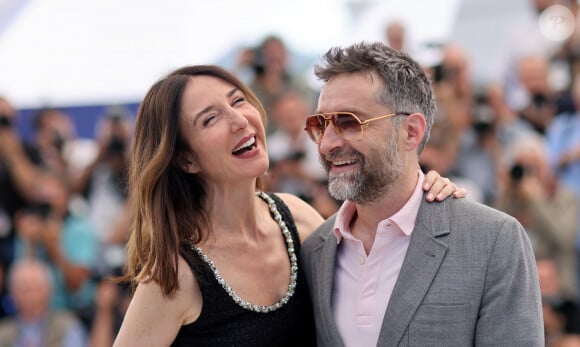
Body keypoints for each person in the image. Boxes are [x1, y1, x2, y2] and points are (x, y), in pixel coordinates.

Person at [112, 65, 463, 346]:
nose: (239, 120)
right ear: (186, 159)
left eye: (237, 101)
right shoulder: (172, 275)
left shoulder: (297, 217)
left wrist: (421, 193)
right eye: (210, 119)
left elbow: (376, 252)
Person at [301, 42, 544, 346]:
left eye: (349, 122)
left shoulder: (493, 240)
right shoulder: (313, 253)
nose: (327, 144)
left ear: (411, 132)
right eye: (319, 125)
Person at [0, 259, 88, 347]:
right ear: (12, 295)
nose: (29, 296)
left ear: (49, 292)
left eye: (35, 288)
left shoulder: (68, 327)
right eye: (23, 289)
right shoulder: (3, 333)